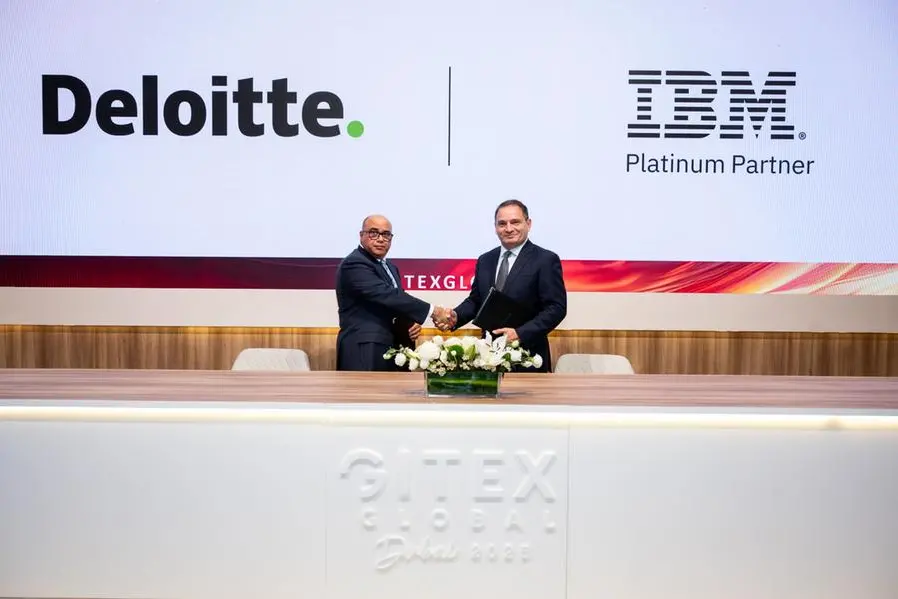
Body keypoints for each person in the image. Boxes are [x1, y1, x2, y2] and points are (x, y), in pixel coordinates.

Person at [437, 199, 567, 372]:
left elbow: (556, 308)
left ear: (528, 224)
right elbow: (477, 301)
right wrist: (456, 316)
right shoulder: (485, 260)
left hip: (527, 357)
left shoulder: (545, 260)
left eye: (515, 222)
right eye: (502, 224)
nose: (509, 228)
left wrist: (520, 333)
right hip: (487, 357)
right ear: (495, 227)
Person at [336, 214, 452, 371]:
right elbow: (386, 295)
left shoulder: (391, 267)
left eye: (386, 234)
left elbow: (395, 305)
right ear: (361, 235)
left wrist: (409, 324)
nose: (380, 239)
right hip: (364, 347)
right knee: (365, 388)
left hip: (392, 346)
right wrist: (434, 311)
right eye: (373, 233)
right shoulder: (354, 263)